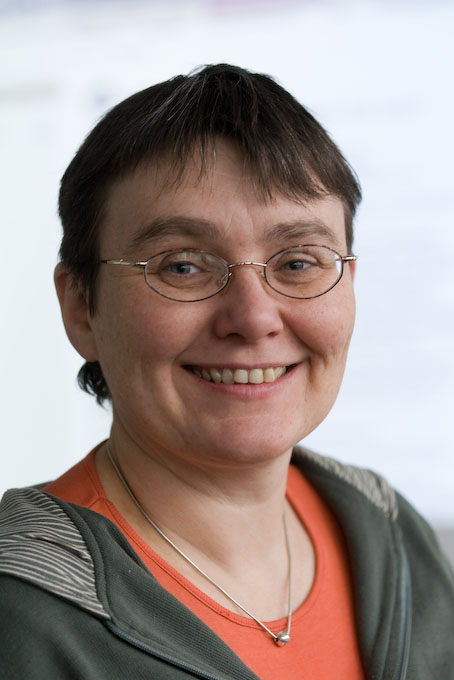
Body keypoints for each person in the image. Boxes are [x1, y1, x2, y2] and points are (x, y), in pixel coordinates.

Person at [1, 64, 453, 679]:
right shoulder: (22, 613)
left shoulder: (390, 535)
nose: (254, 318)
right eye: (183, 266)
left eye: (298, 262)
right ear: (82, 307)